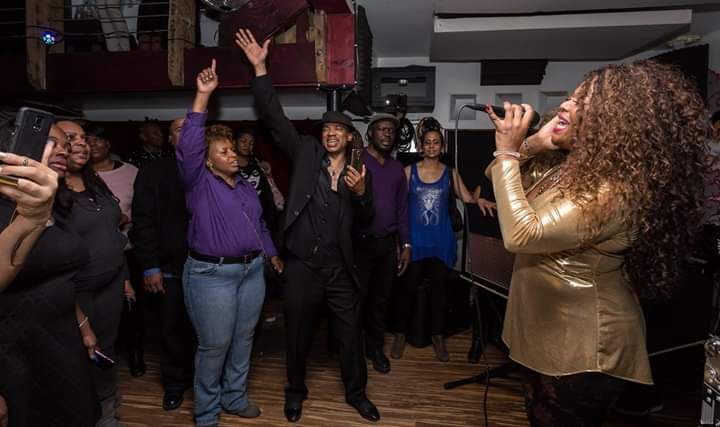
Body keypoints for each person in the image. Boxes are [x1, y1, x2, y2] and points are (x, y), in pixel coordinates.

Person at [483, 60, 710, 426]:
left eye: (581, 103)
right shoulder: (574, 169)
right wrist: (533, 144)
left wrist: (508, 151)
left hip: (584, 342)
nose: (565, 106)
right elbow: (497, 175)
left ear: (613, 123)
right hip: (549, 326)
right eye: (570, 98)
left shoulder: (613, 189)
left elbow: (521, 234)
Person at [237, 28, 380, 423]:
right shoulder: (304, 153)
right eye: (326, 128)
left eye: (338, 130)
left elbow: (366, 220)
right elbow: (273, 116)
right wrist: (260, 68)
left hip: (339, 268)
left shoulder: (358, 172)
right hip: (302, 265)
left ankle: (357, 394)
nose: (330, 133)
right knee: (297, 334)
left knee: (350, 334)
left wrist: (362, 193)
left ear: (349, 137)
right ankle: (295, 393)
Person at [177, 60, 282, 427]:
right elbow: (190, 145)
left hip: (252, 272)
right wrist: (202, 96)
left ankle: (234, 397)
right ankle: (206, 413)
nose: (233, 154)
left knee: (243, 339)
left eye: (232, 150)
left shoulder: (245, 188)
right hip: (212, 275)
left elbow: (260, 225)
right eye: (224, 152)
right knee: (215, 345)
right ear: (206, 162)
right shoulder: (198, 183)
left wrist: (271, 254)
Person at [0, 122, 100, 427]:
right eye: (50, 142)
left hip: (60, 337)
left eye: (65, 145)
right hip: (13, 346)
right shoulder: (8, 204)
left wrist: (82, 325)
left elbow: (58, 275)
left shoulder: (54, 203)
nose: (63, 151)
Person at [393, 117, 495, 362]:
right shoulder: (409, 172)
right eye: (427, 142)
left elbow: (467, 198)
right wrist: (401, 242)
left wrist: (480, 198)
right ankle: (400, 334)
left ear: (442, 146)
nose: (431, 146)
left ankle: (437, 336)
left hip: (441, 241)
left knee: (439, 293)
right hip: (415, 242)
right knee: (407, 290)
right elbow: (398, 208)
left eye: (436, 142)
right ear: (421, 145)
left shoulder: (450, 173)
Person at [57, 119, 129, 427]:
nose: (81, 144)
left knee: (105, 347)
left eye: (84, 138)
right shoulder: (50, 191)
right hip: (76, 291)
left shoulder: (94, 183)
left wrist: (125, 277)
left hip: (111, 283)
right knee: (79, 352)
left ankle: (105, 403)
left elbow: (113, 230)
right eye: (70, 138)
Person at [130, 117, 196, 411]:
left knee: (207, 331)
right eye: (180, 129)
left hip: (210, 269)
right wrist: (150, 265)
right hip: (171, 267)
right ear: (170, 140)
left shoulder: (212, 167)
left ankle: (205, 381)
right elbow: (142, 220)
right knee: (173, 329)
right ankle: (175, 383)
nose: (188, 133)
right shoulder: (153, 170)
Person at [86, 123, 146, 377]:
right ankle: (99, 357)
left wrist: (124, 218)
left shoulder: (132, 172)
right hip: (93, 253)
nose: (92, 144)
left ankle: (135, 354)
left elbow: (144, 208)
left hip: (129, 250)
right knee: (98, 309)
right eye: (87, 140)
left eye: (97, 140)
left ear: (108, 144)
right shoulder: (80, 174)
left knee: (132, 307)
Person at [352, 113, 409, 374]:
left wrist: (406, 244)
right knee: (357, 300)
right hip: (359, 244)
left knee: (380, 300)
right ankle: (352, 350)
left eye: (391, 130)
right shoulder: (357, 161)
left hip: (387, 245)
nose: (387, 134)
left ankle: (375, 349)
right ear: (370, 133)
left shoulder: (397, 168)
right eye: (381, 129)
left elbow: (402, 209)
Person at [235, 131, 280, 234]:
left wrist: (268, 174)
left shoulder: (258, 165)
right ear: (234, 142)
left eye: (251, 143)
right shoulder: (230, 168)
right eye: (243, 141)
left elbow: (268, 192)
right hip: (242, 220)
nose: (247, 145)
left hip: (263, 219)